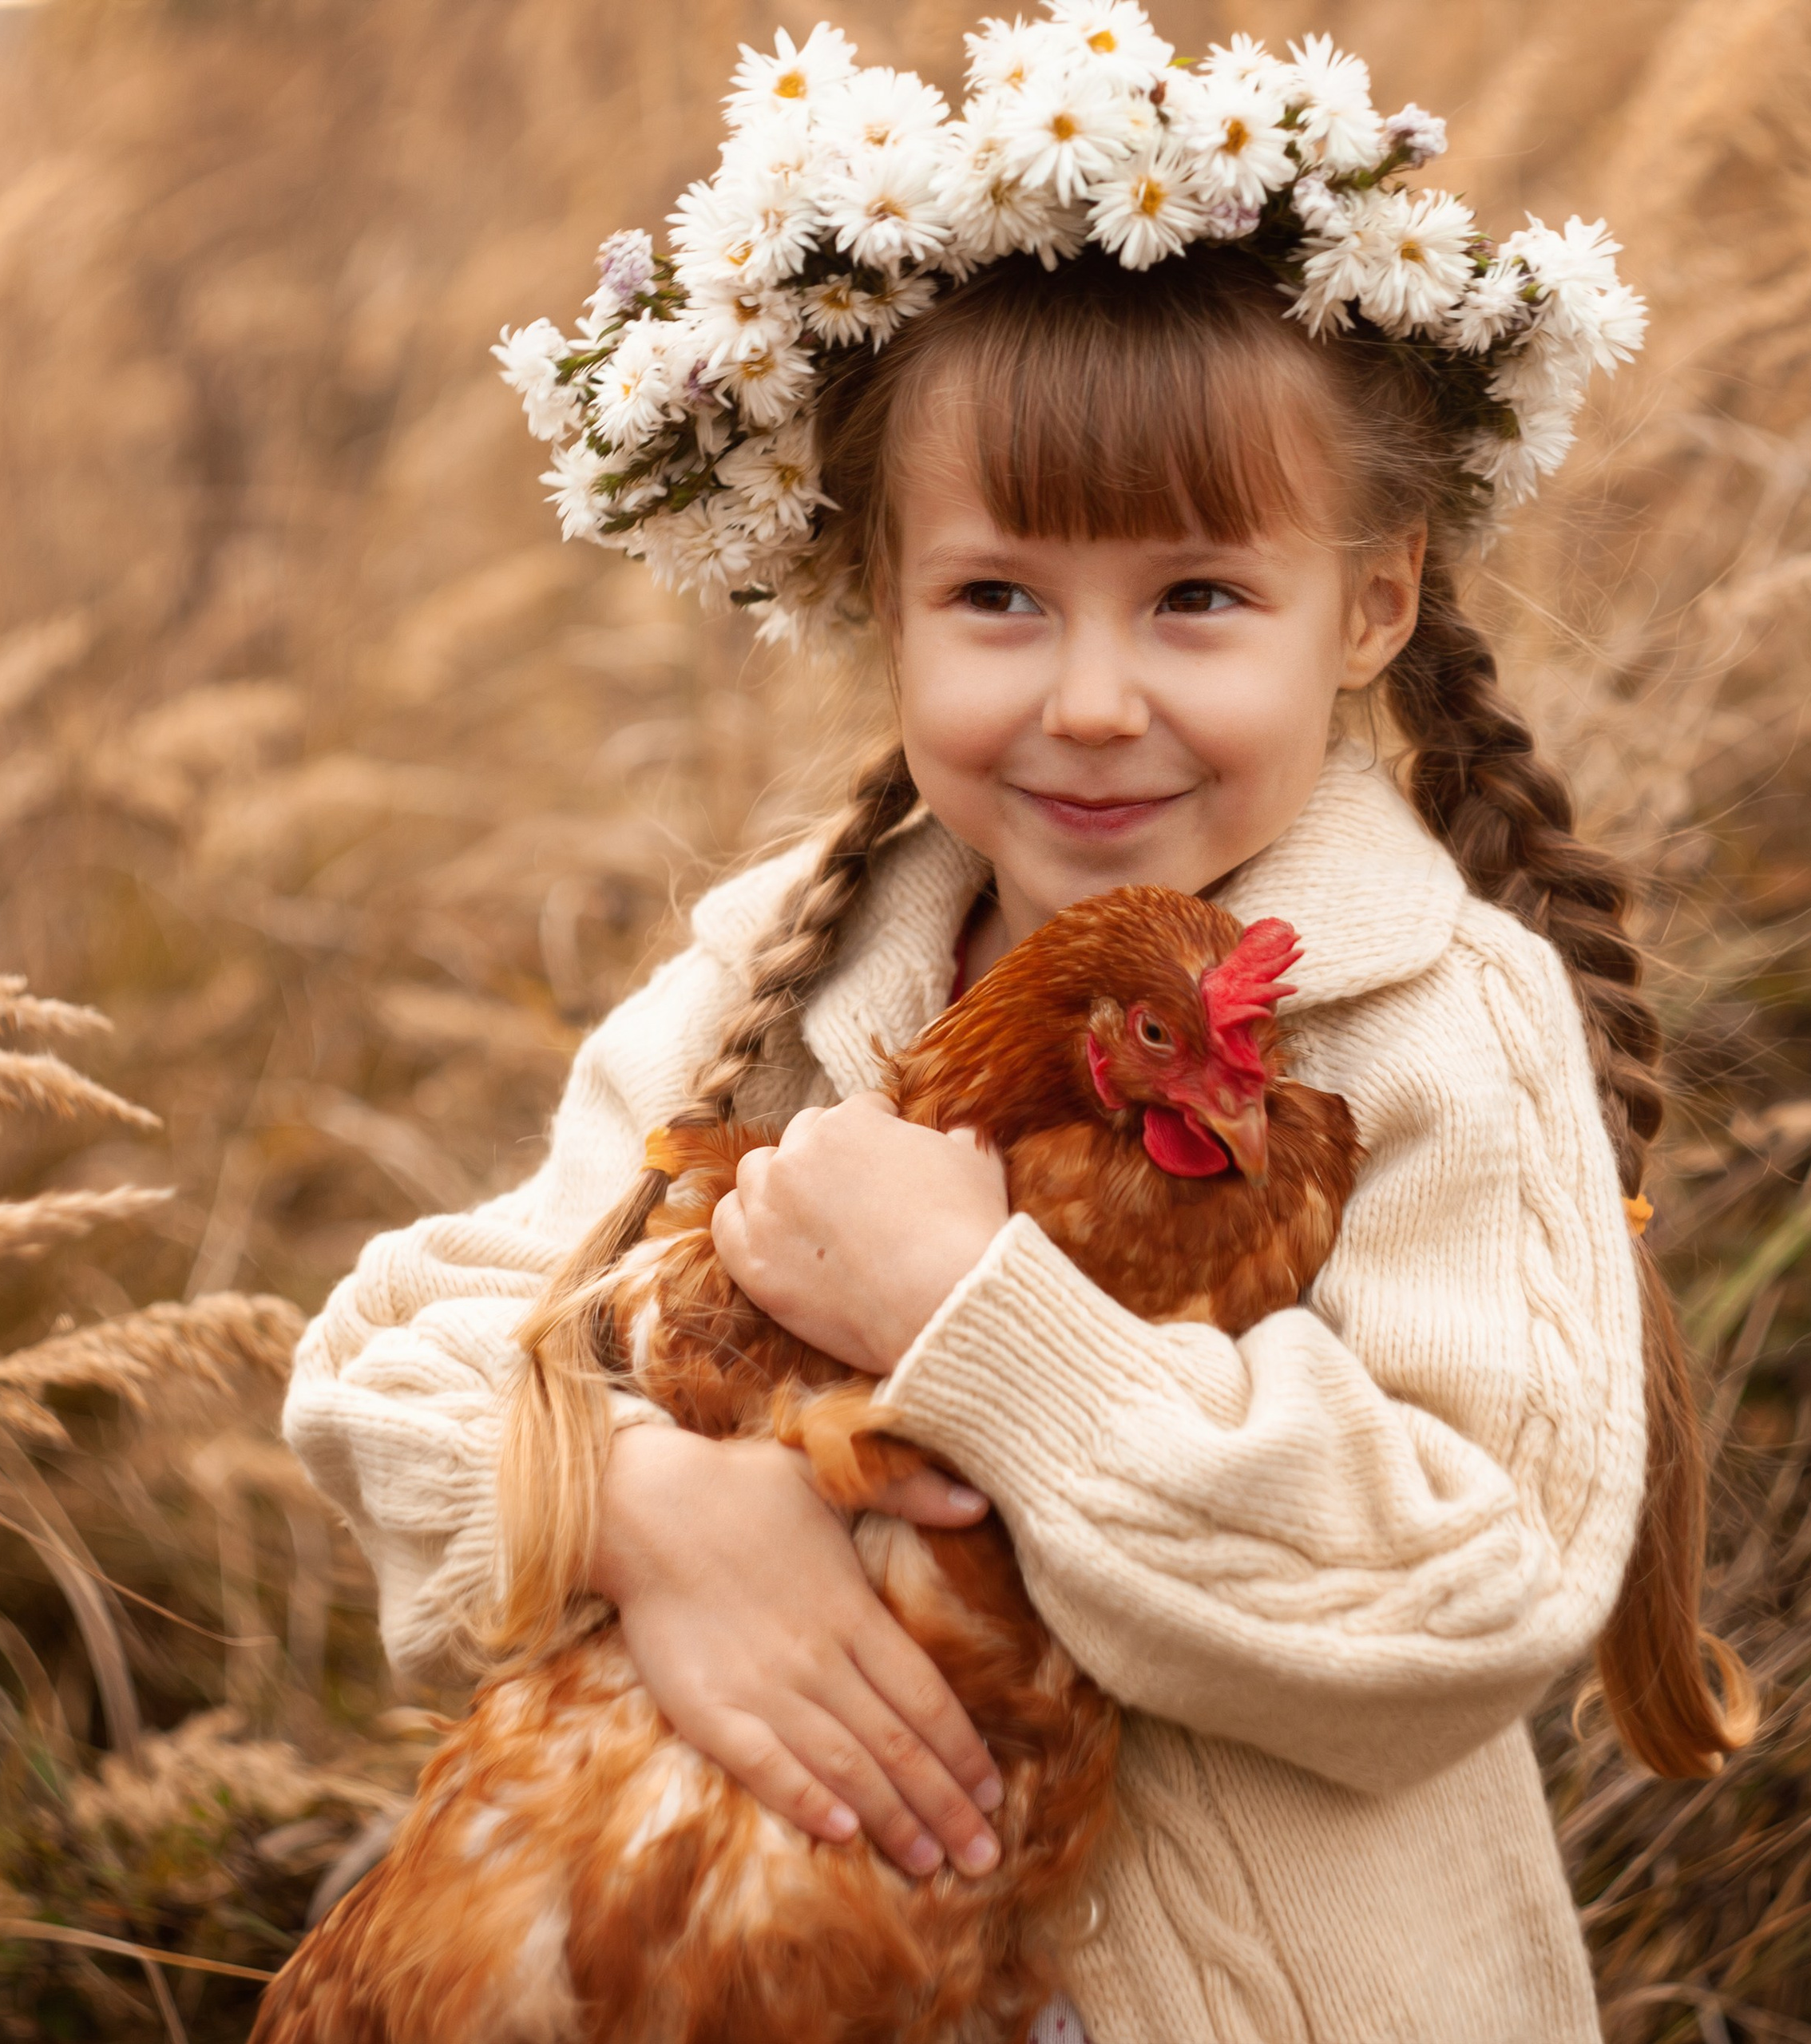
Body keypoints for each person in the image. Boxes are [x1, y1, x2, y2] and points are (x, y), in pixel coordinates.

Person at [283, 13, 1753, 2039]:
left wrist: (978, 1318)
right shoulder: (770, 973)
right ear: (873, 593)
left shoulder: (1439, 1027)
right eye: (996, 597)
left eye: (1194, 599)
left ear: (1371, 601)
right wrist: (646, 1506)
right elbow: (389, 1368)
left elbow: (1459, 1593)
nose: (1083, 697)